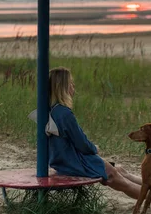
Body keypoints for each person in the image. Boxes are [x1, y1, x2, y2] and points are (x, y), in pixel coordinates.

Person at [48, 67, 143, 200]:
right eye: (71, 83)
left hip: (62, 161)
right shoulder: (64, 114)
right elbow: (81, 143)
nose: (73, 87)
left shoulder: (50, 111)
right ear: (62, 88)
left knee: (120, 170)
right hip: (73, 163)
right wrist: (94, 148)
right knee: (114, 177)